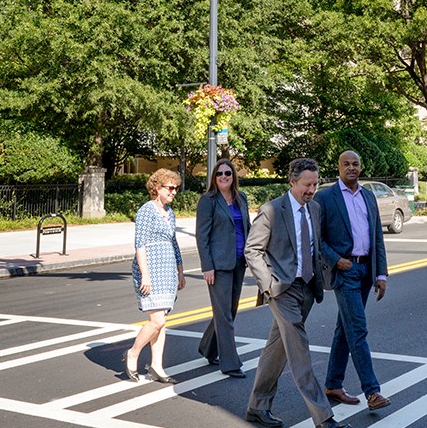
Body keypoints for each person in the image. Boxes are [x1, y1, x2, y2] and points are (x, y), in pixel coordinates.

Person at [244, 157, 350, 428]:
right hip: (281, 290)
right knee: (300, 350)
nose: (312, 189)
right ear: (292, 182)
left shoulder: (313, 209)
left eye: (315, 184)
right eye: (306, 184)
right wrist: (268, 285)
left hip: (306, 288)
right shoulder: (272, 210)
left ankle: (257, 407)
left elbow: (314, 247)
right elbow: (252, 250)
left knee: (276, 350)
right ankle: (324, 418)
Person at [314, 151, 391, 412]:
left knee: (345, 329)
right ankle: (372, 392)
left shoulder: (368, 195)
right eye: (346, 164)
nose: (351, 168)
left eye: (355, 164)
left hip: (365, 272)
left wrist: (381, 274)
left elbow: (377, 237)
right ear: (338, 167)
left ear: (361, 167)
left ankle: (333, 384)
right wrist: (335, 259)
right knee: (357, 330)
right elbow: (317, 237)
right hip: (344, 272)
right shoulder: (325, 197)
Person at [123, 168, 186, 384]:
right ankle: (133, 353)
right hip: (150, 268)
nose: (173, 192)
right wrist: (145, 275)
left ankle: (157, 366)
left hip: (167, 269)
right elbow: (139, 244)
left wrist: (180, 270)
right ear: (157, 188)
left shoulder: (169, 212)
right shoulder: (146, 211)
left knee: (162, 321)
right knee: (156, 320)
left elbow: (174, 242)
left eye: (176, 188)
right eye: (170, 188)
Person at [196, 158, 250, 378]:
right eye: (219, 174)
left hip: (239, 262)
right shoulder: (208, 201)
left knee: (230, 311)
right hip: (218, 266)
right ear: (214, 178)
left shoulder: (241, 198)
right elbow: (202, 236)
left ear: (233, 176)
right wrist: (207, 267)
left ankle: (207, 348)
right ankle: (229, 363)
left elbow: (249, 227)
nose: (224, 177)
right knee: (225, 315)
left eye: (228, 173)